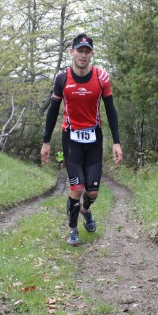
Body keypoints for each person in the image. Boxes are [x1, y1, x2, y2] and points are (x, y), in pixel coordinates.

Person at [41, 33, 123, 246]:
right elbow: (53, 111)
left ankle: (86, 209)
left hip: (94, 138)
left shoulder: (101, 77)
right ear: (72, 52)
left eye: (87, 52)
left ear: (92, 54)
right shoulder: (62, 78)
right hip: (71, 138)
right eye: (80, 51)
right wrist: (46, 141)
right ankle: (73, 229)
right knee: (77, 188)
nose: (83, 56)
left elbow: (111, 110)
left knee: (92, 191)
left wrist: (116, 142)